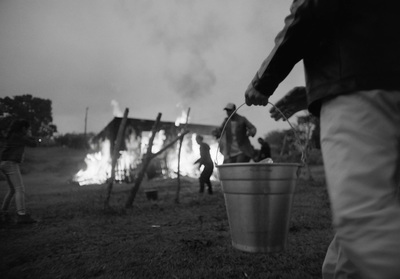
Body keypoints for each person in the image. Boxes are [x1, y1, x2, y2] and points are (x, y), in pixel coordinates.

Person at [244, 1, 400, 278]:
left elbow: (312, 6)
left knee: (364, 223)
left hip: (361, 92)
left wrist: (262, 81)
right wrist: (314, 91)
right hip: (377, 80)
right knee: (358, 239)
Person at [1, 119, 39, 224]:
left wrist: (29, 135)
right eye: (28, 129)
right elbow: (34, 144)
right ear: (23, 129)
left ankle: (3, 212)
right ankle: (21, 215)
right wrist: (30, 135)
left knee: (13, 189)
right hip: (11, 163)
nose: (29, 130)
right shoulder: (19, 136)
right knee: (20, 189)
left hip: (4, 163)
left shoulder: (14, 135)